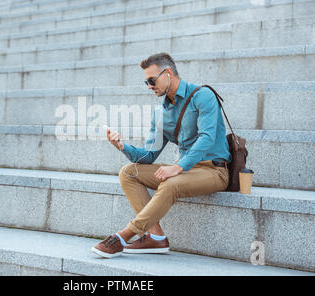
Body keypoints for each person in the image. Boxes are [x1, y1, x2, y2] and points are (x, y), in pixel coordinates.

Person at [91, 53, 232, 258]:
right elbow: (148, 156)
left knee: (170, 182)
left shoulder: (203, 96)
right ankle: (156, 237)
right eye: (146, 82)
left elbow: (207, 138)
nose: (149, 86)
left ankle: (122, 237)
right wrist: (122, 146)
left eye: (151, 80)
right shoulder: (160, 113)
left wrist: (178, 167)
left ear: (167, 74)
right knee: (129, 172)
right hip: (187, 171)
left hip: (214, 170)